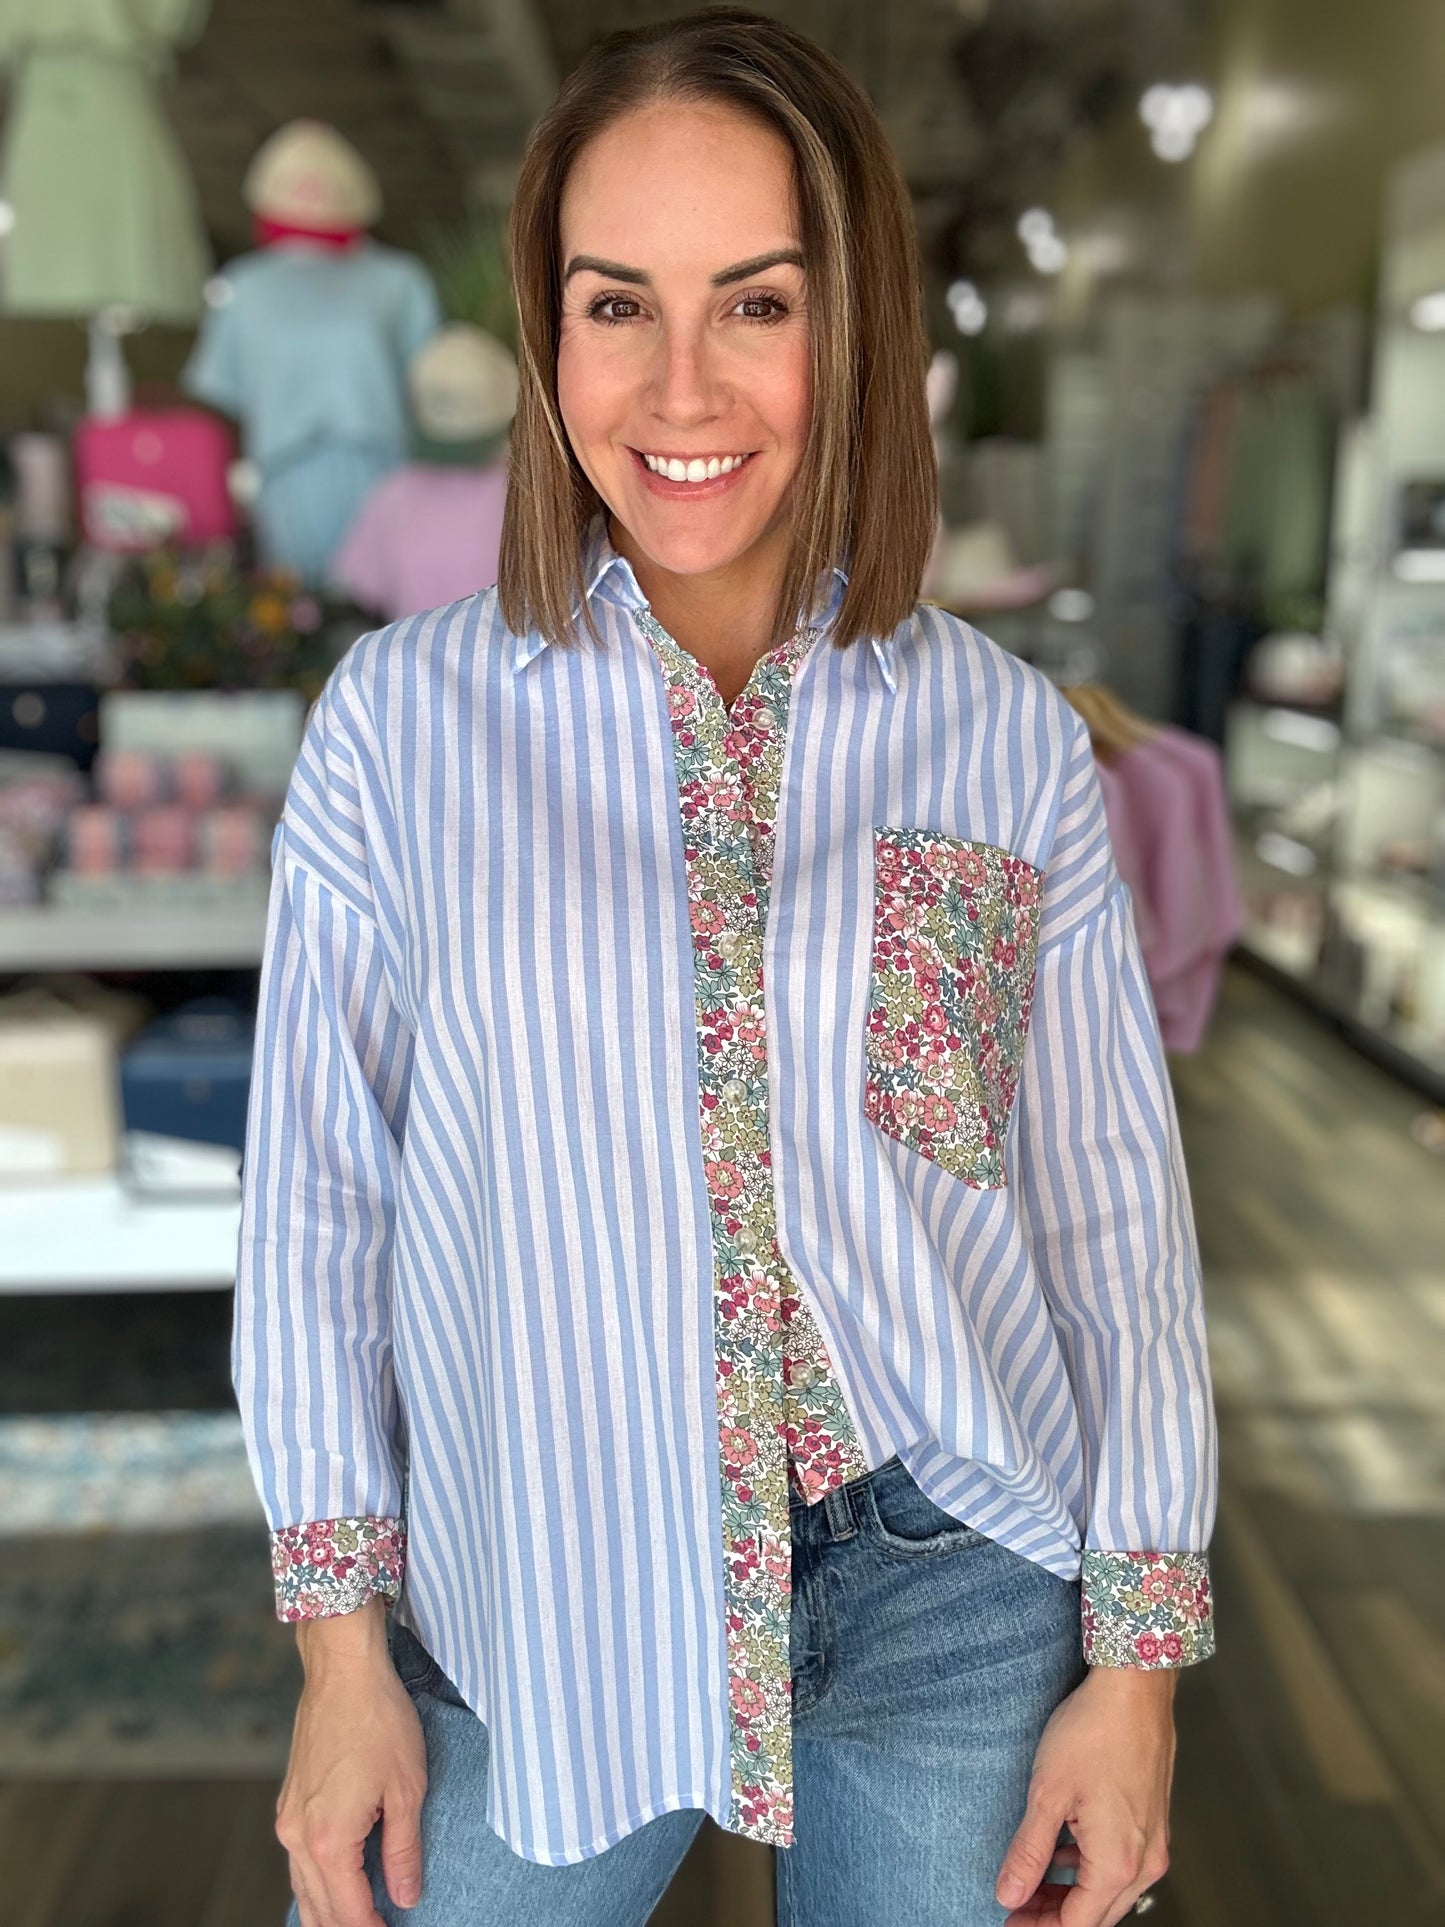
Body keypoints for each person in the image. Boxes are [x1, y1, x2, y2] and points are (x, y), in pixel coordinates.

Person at [233, 12, 1218, 1927]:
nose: (681, 383)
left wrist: (1139, 1666)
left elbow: (1102, 1210)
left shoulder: (1001, 739)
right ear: (547, 329)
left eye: (755, 303)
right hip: (545, 1583)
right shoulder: (401, 727)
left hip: (951, 1588)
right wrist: (341, 1661)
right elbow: (318, 1209)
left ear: (846, 323)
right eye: (617, 305)